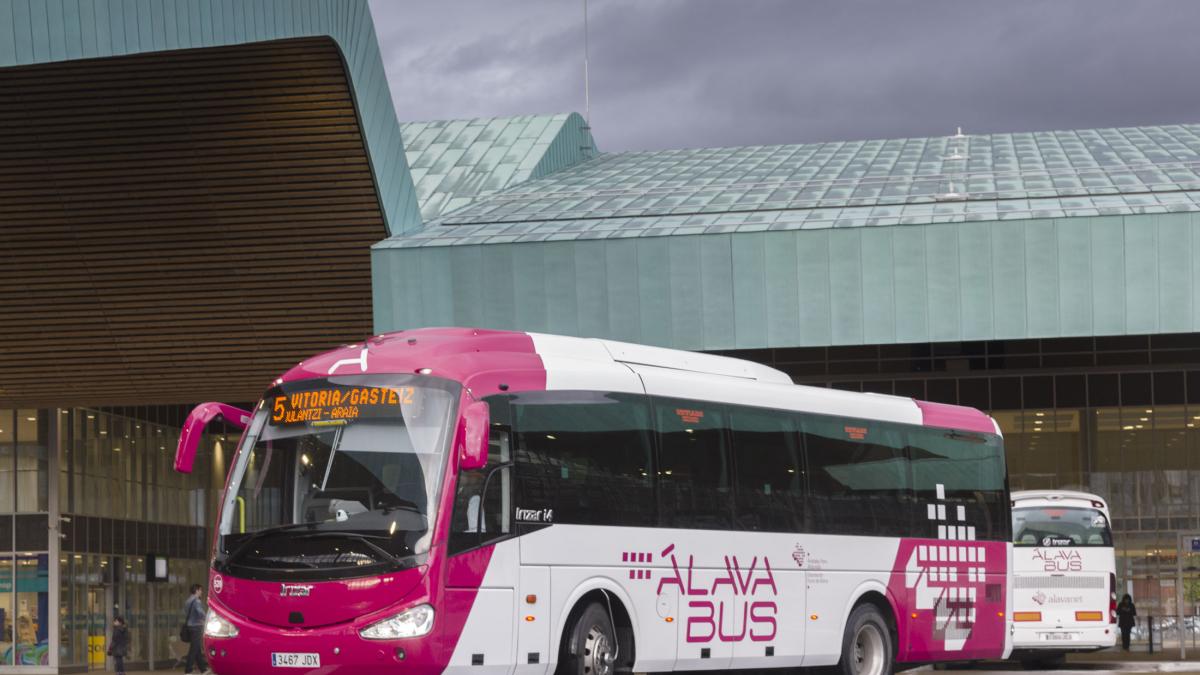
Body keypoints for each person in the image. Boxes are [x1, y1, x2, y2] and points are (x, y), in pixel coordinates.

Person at [184, 584, 209, 674]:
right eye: (200, 590)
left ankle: (203, 669)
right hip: (196, 627)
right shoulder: (196, 601)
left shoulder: (188, 601)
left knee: (197, 648)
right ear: (197, 590)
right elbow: (200, 613)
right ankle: (188, 670)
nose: (201, 592)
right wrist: (207, 618)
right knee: (194, 649)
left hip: (190, 626)